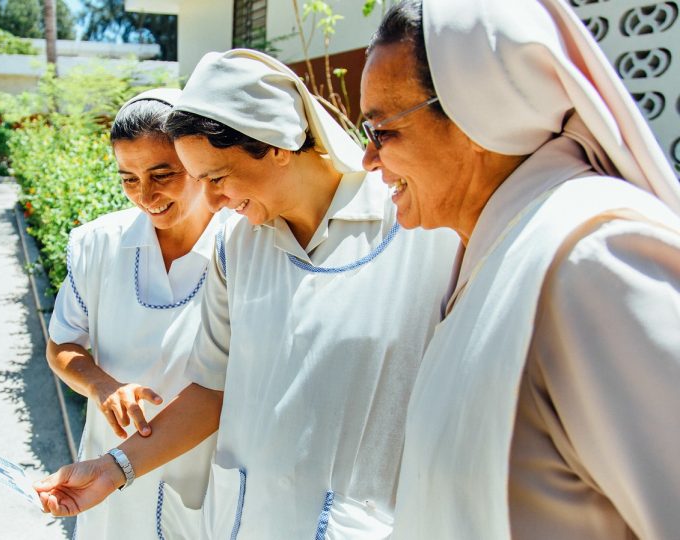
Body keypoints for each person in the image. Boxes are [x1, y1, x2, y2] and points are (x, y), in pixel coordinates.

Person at [35, 49, 459, 538]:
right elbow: (211, 389)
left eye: (215, 178)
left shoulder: (416, 228)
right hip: (247, 520)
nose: (213, 201)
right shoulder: (238, 247)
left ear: (277, 143)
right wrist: (112, 469)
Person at [358, 1, 680, 538]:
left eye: (381, 131)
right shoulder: (492, 255)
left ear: (477, 114)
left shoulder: (594, 261)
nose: (368, 160)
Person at [45, 88, 224, 539]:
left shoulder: (242, 247)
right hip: (110, 462)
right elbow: (63, 344)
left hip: (207, 465)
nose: (145, 195)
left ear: (198, 162)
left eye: (163, 174)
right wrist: (103, 386)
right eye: (128, 178)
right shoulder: (99, 244)